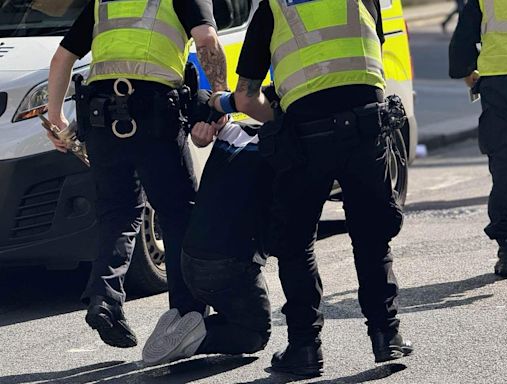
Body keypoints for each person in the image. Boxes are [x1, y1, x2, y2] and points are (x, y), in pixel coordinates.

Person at [209, 0, 413, 377]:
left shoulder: (273, 7)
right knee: (371, 237)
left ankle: (305, 348)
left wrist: (284, 117)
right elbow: (371, 63)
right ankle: (387, 335)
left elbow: (246, 98)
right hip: (367, 129)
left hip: (305, 140)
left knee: (296, 242)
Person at [46, 0, 228, 348]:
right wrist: (219, 99)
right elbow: (205, 39)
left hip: (100, 118)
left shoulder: (105, 2)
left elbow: (61, 58)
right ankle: (187, 314)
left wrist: (56, 119)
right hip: (154, 112)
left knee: (118, 212)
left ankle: (105, 299)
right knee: (178, 214)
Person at [142, 88, 277, 366]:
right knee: (254, 333)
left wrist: (215, 110)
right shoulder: (285, 147)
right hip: (230, 265)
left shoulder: (233, 130)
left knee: (234, 305)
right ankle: (197, 335)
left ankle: (178, 324)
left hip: (190, 259)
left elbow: (204, 99)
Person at [449, 0, 507, 278]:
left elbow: (464, 36)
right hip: (498, 83)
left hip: (499, 85)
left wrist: (466, 72)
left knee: (505, 167)